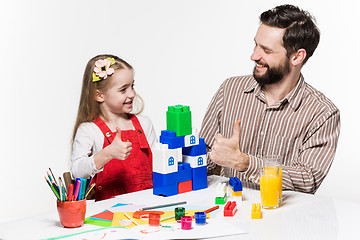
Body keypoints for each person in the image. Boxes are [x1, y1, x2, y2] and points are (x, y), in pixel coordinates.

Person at [199, 4, 340, 194]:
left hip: (282, 218)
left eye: (266, 50)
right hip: (227, 215)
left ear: (297, 57)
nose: (254, 55)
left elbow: (308, 179)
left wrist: (244, 162)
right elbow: (203, 155)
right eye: (255, 44)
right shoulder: (229, 90)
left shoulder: (322, 113)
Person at [71, 54, 157, 201]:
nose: (132, 94)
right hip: (109, 214)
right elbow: (76, 172)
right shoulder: (89, 130)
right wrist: (107, 154)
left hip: (148, 205)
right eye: (123, 90)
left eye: (132, 86)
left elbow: (158, 164)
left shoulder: (144, 124)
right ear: (99, 95)